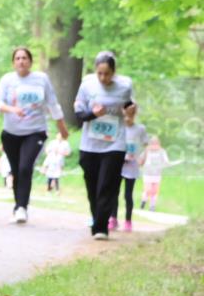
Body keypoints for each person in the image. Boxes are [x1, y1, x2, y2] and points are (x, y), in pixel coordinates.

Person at [0, 47, 69, 223]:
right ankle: (18, 205)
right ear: (13, 62)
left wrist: (61, 127)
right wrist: (12, 109)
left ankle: (21, 208)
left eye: (25, 58)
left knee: (26, 167)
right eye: (18, 58)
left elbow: (53, 103)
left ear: (30, 61)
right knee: (16, 170)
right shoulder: (7, 80)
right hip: (11, 133)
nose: (21, 61)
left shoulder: (41, 79)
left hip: (35, 131)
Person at [74, 51, 137, 240]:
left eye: (107, 74)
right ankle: (97, 218)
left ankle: (101, 227)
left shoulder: (125, 85)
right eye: (100, 73)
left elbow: (129, 107)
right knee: (92, 185)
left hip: (114, 144)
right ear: (95, 71)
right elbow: (79, 115)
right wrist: (94, 114)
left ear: (114, 72)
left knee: (106, 185)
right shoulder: (87, 84)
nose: (103, 78)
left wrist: (130, 110)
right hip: (90, 145)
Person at [111, 112, 147, 230]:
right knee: (114, 193)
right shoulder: (118, 127)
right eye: (125, 116)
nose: (127, 118)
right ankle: (113, 218)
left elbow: (145, 144)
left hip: (132, 166)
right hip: (118, 164)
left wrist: (143, 158)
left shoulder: (140, 129)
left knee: (128, 195)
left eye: (130, 116)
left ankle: (128, 221)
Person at [139, 136, 173, 212]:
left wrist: (167, 163)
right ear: (150, 144)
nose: (154, 145)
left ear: (159, 144)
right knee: (148, 190)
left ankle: (152, 206)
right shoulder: (146, 151)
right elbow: (141, 160)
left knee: (155, 191)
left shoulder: (162, 151)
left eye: (156, 143)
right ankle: (143, 201)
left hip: (157, 174)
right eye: (153, 143)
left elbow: (166, 160)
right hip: (147, 173)